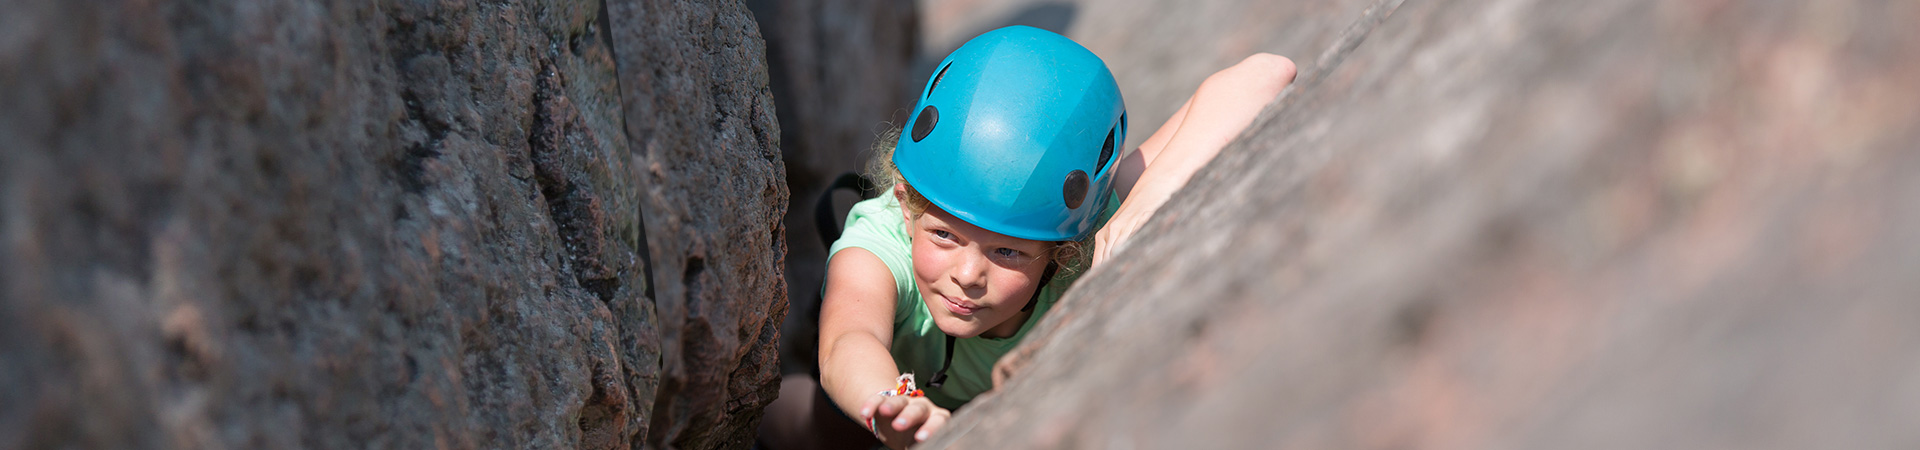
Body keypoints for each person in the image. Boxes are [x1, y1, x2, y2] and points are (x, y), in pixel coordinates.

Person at [756, 26, 1296, 449]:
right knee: (816, 436)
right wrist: (894, 403)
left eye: (1008, 250)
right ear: (903, 200)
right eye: (944, 235)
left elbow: (1266, 74)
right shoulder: (880, 240)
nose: (968, 275)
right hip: (883, 389)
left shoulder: (1077, 227)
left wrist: (1139, 211)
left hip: (962, 399)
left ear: (1060, 252)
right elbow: (848, 342)